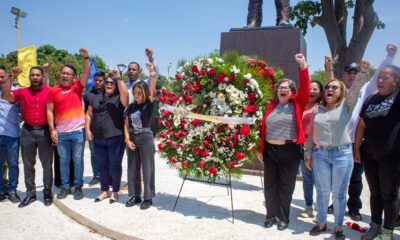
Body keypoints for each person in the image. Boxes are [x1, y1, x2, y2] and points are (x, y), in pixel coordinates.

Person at [305, 60, 370, 240]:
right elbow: (311, 135)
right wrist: (308, 154)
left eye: (335, 88)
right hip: (321, 155)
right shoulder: (317, 110)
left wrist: (362, 74)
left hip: (342, 155)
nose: (330, 90)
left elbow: (355, 90)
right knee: (323, 192)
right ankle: (321, 222)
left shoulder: (347, 107)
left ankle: (338, 227)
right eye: (327, 87)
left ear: (341, 92)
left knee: (339, 194)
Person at [257, 53, 310, 230]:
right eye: (280, 86)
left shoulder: (297, 103)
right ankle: (270, 215)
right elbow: (261, 129)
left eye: (286, 87)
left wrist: (302, 66)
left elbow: (306, 88)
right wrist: (260, 148)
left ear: (292, 91)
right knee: (270, 185)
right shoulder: (270, 106)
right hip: (270, 151)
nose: (282, 89)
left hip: (290, 151)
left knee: (286, 187)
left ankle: (283, 218)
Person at [354, 65, 400, 240]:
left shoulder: (397, 98)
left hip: (392, 155)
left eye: (385, 77)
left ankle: (387, 232)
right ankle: (374, 226)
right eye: (379, 77)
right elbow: (361, 126)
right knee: (375, 192)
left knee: (389, 193)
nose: (380, 80)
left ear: (396, 80)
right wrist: (357, 149)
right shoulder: (370, 100)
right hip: (370, 153)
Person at [2, 66, 54, 207]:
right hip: (27, 132)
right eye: (33, 75)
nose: (35, 77)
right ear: (29, 77)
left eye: (38, 75)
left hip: (44, 132)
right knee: (28, 164)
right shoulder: (23, 91)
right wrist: (10, 77)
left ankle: (47, 192)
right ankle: (31, 194)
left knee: (47, 164)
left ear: (42, 77)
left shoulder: (49, 91)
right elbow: (6, 96)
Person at [46, 48, 90, 200]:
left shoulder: (77, 87)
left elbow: (86, 73)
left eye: (68, 74)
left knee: (78, 160)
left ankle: (78, 186)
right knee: (63, 161)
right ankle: (65, 187)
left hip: (78, 132)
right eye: (63, 73)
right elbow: (50, 111)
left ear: (73, 77)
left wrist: (86, 58)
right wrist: (52, 130)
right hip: (62, 133)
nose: (65, 75)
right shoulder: (53, 90)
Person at [85, 70, 128, 203]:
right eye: (107, 82)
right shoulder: (95, 97)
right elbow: (89, 114)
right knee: (102, 165)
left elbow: (126, 98)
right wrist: (87, 129)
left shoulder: (119, 98)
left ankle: (115, 191)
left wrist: (119, 79)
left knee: (115, 165)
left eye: (112, 83)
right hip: (98, 138)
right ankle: (104, 191)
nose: (109, 84)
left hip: (115, 137)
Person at [124, 63, 157, 210]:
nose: (137, 96)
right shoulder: (130, 107)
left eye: (139, 93)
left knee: (147, 168)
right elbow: (126, 124)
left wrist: (151, 74)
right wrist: (127, 139)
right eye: (135, 93)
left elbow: (152, 89)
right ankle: (135, 195)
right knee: (132, 167)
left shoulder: (148, 104)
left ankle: (148, 197)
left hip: (145, 137)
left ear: (144, 93)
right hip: (132, 138)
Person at [299, 80, 323, 218]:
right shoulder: (301, 106)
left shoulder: (321, 107)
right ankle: (309, 207)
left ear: (320, 93)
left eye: (315, 89)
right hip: (302, 148)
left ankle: (321, 211)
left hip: (316, 148)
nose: (312, 91)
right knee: (307, 179)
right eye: (309, 88)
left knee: (318, 180)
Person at [0, 66, 21, 203]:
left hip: (12, 135)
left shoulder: (15, 91)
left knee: (13, 164)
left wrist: (11, 77)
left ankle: (12, 189)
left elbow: (6, 95)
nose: (1, 79)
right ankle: (1, 190)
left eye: (3, 76)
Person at [83, 71, 105, 187]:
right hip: (93, 129)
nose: (97, 82)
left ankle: (108, 176)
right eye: (96, 80)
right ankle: (96, 175)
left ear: (104, 81)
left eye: (100, 80)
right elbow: (87, 113)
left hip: (106, 129)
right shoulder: (87, 95)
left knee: (107, 154)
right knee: (94, 153)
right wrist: (87, 130)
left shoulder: (109, 93)